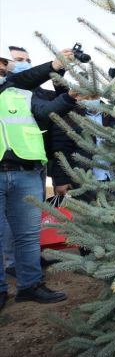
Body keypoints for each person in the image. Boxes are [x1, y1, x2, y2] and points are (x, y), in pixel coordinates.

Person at [0, 49, 84, 310]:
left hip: (25, 172)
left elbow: (47, 110)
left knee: (27, 234)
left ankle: (30, 285)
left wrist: (69, 95)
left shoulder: (16, 92)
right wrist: (55, 65)